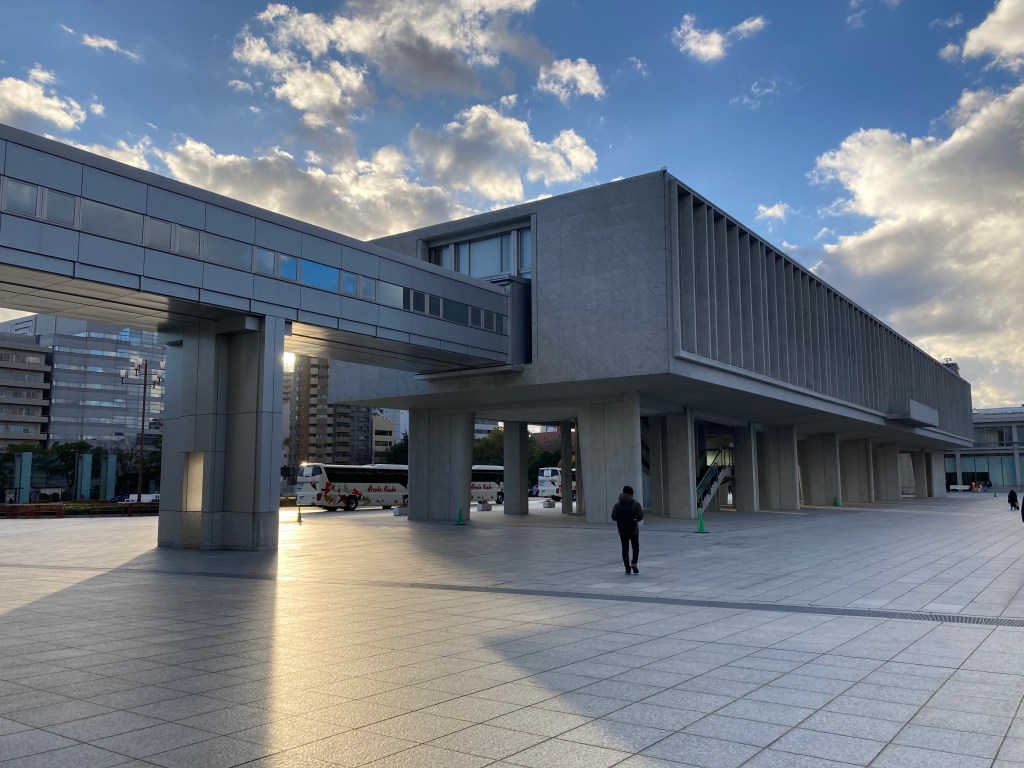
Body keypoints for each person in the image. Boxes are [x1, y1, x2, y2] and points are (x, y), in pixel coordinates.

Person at [611, 485, 644, 575]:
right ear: (631, 494)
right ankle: (634, 562)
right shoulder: (636, 504)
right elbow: (641, 516)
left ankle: (627, 568)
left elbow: (613, 517)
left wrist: (621, 519)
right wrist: (635, 519)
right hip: (633, 530)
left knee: (625, 549)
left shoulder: (617, 505)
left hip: (622, 530)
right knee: (635, 547)